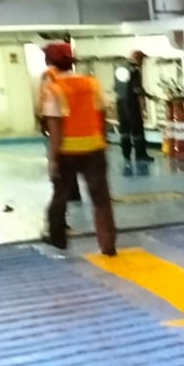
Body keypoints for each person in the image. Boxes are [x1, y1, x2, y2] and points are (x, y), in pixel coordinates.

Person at [40, 41, 116, 255]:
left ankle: (58, 238)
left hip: (67, 151)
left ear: (50, 62)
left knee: (61, 195)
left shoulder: (53, 89)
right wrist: (102, 141)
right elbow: (102, 115)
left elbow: (55, 128)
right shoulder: (92, 84)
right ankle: (108, 245)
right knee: (101, 199)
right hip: (94, 149)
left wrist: (53, 159)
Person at [116, 50, 153, 167]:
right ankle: (140, 155)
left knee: (124, 129)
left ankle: (126, 154)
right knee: (137, 130)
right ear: (138, 58)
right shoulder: (134, 70)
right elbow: (137, 89)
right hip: (131, 103)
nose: (142, 63)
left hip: (120, 103)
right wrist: (149, 96)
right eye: (142, 60)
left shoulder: (119, 69)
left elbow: (115, 87)